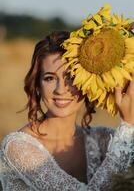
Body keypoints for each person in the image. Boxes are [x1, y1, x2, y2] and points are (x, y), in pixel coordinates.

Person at [0, 31, 134, 191]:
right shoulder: (17, 147)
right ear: (37, 86)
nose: (60, 90)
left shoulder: (102, 139)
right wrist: (127, 124)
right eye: (49, 78)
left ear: (88, 83)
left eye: (71, 77)